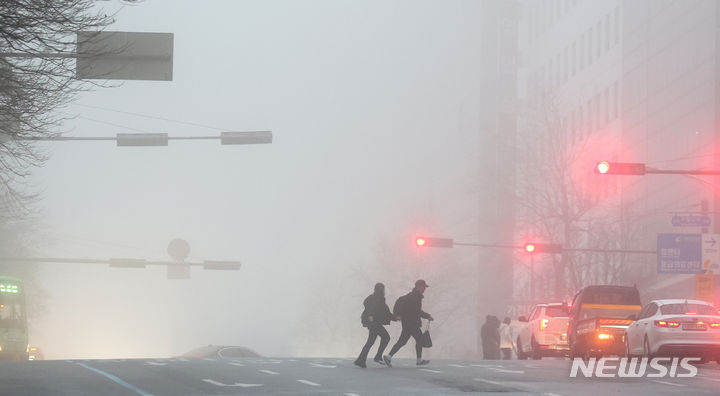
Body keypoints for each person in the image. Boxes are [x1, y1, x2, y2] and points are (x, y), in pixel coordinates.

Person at [383, 279, 434, 367]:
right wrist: (427, 316)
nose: (424, 289)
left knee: (402, 341)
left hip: (407, 323)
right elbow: (417, 311)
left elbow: (414, 310)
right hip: (412, 323)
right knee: (419, 340)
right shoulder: (415, 297)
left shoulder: (412, 296)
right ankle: (419, 360)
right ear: (418, 286)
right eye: (423, 287)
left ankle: (389, 357)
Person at [354, 283, 393, 368]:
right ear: (380, 289)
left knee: (370, 342)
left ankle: (360, 360)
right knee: (386, 337)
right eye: (382, 289)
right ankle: (377, 357)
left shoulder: (378, 299)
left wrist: (394, 317)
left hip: (373, 323)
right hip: (373, 323)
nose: (383, 291)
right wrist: (370, 315)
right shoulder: (377, 298)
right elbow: (372, 307)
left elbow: (386, 312)